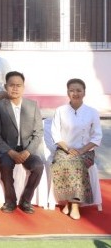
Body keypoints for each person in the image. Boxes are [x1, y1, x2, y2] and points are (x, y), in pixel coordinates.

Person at [0, 71, 43, 214]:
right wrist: (11, 152)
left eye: (18, 85)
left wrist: (28, 151)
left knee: (38, 166)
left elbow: (38, 133)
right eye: (11, 85)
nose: (15, 88)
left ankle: (26, 200)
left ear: (23, 87)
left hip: (27, 149)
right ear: (5, 87)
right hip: (7, 150)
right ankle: (10, 201)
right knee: (5, 165)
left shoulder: (32, 106)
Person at [50, 78, 103, 221]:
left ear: (84, 92)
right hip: (63, 149)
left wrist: (81, 150)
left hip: (86, 151)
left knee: (77, 163)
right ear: (67, 92)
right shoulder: (60, 110)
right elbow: (55, 134)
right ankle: (72, 203)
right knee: (62, 163)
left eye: (79, 90)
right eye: (72, 90)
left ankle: (73, 205)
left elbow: (97, 136)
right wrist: (68, 149)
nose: (75, 93)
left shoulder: (92, 112)